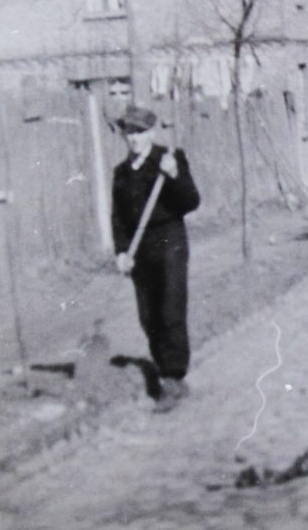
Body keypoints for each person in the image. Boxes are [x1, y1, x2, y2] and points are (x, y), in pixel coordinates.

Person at [110, 105, 200, 412]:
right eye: (129, 132)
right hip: (139, 248)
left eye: (139, 131)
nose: (133, 138)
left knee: (170, 308)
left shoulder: (169, 159)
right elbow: (118, 218)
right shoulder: (121, 172)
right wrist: (121, 252)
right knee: (148, 315)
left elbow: (191, 201)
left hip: (169, 241)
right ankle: (163, 368)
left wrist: (174, 175)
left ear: (151, 132)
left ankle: (173, 378)